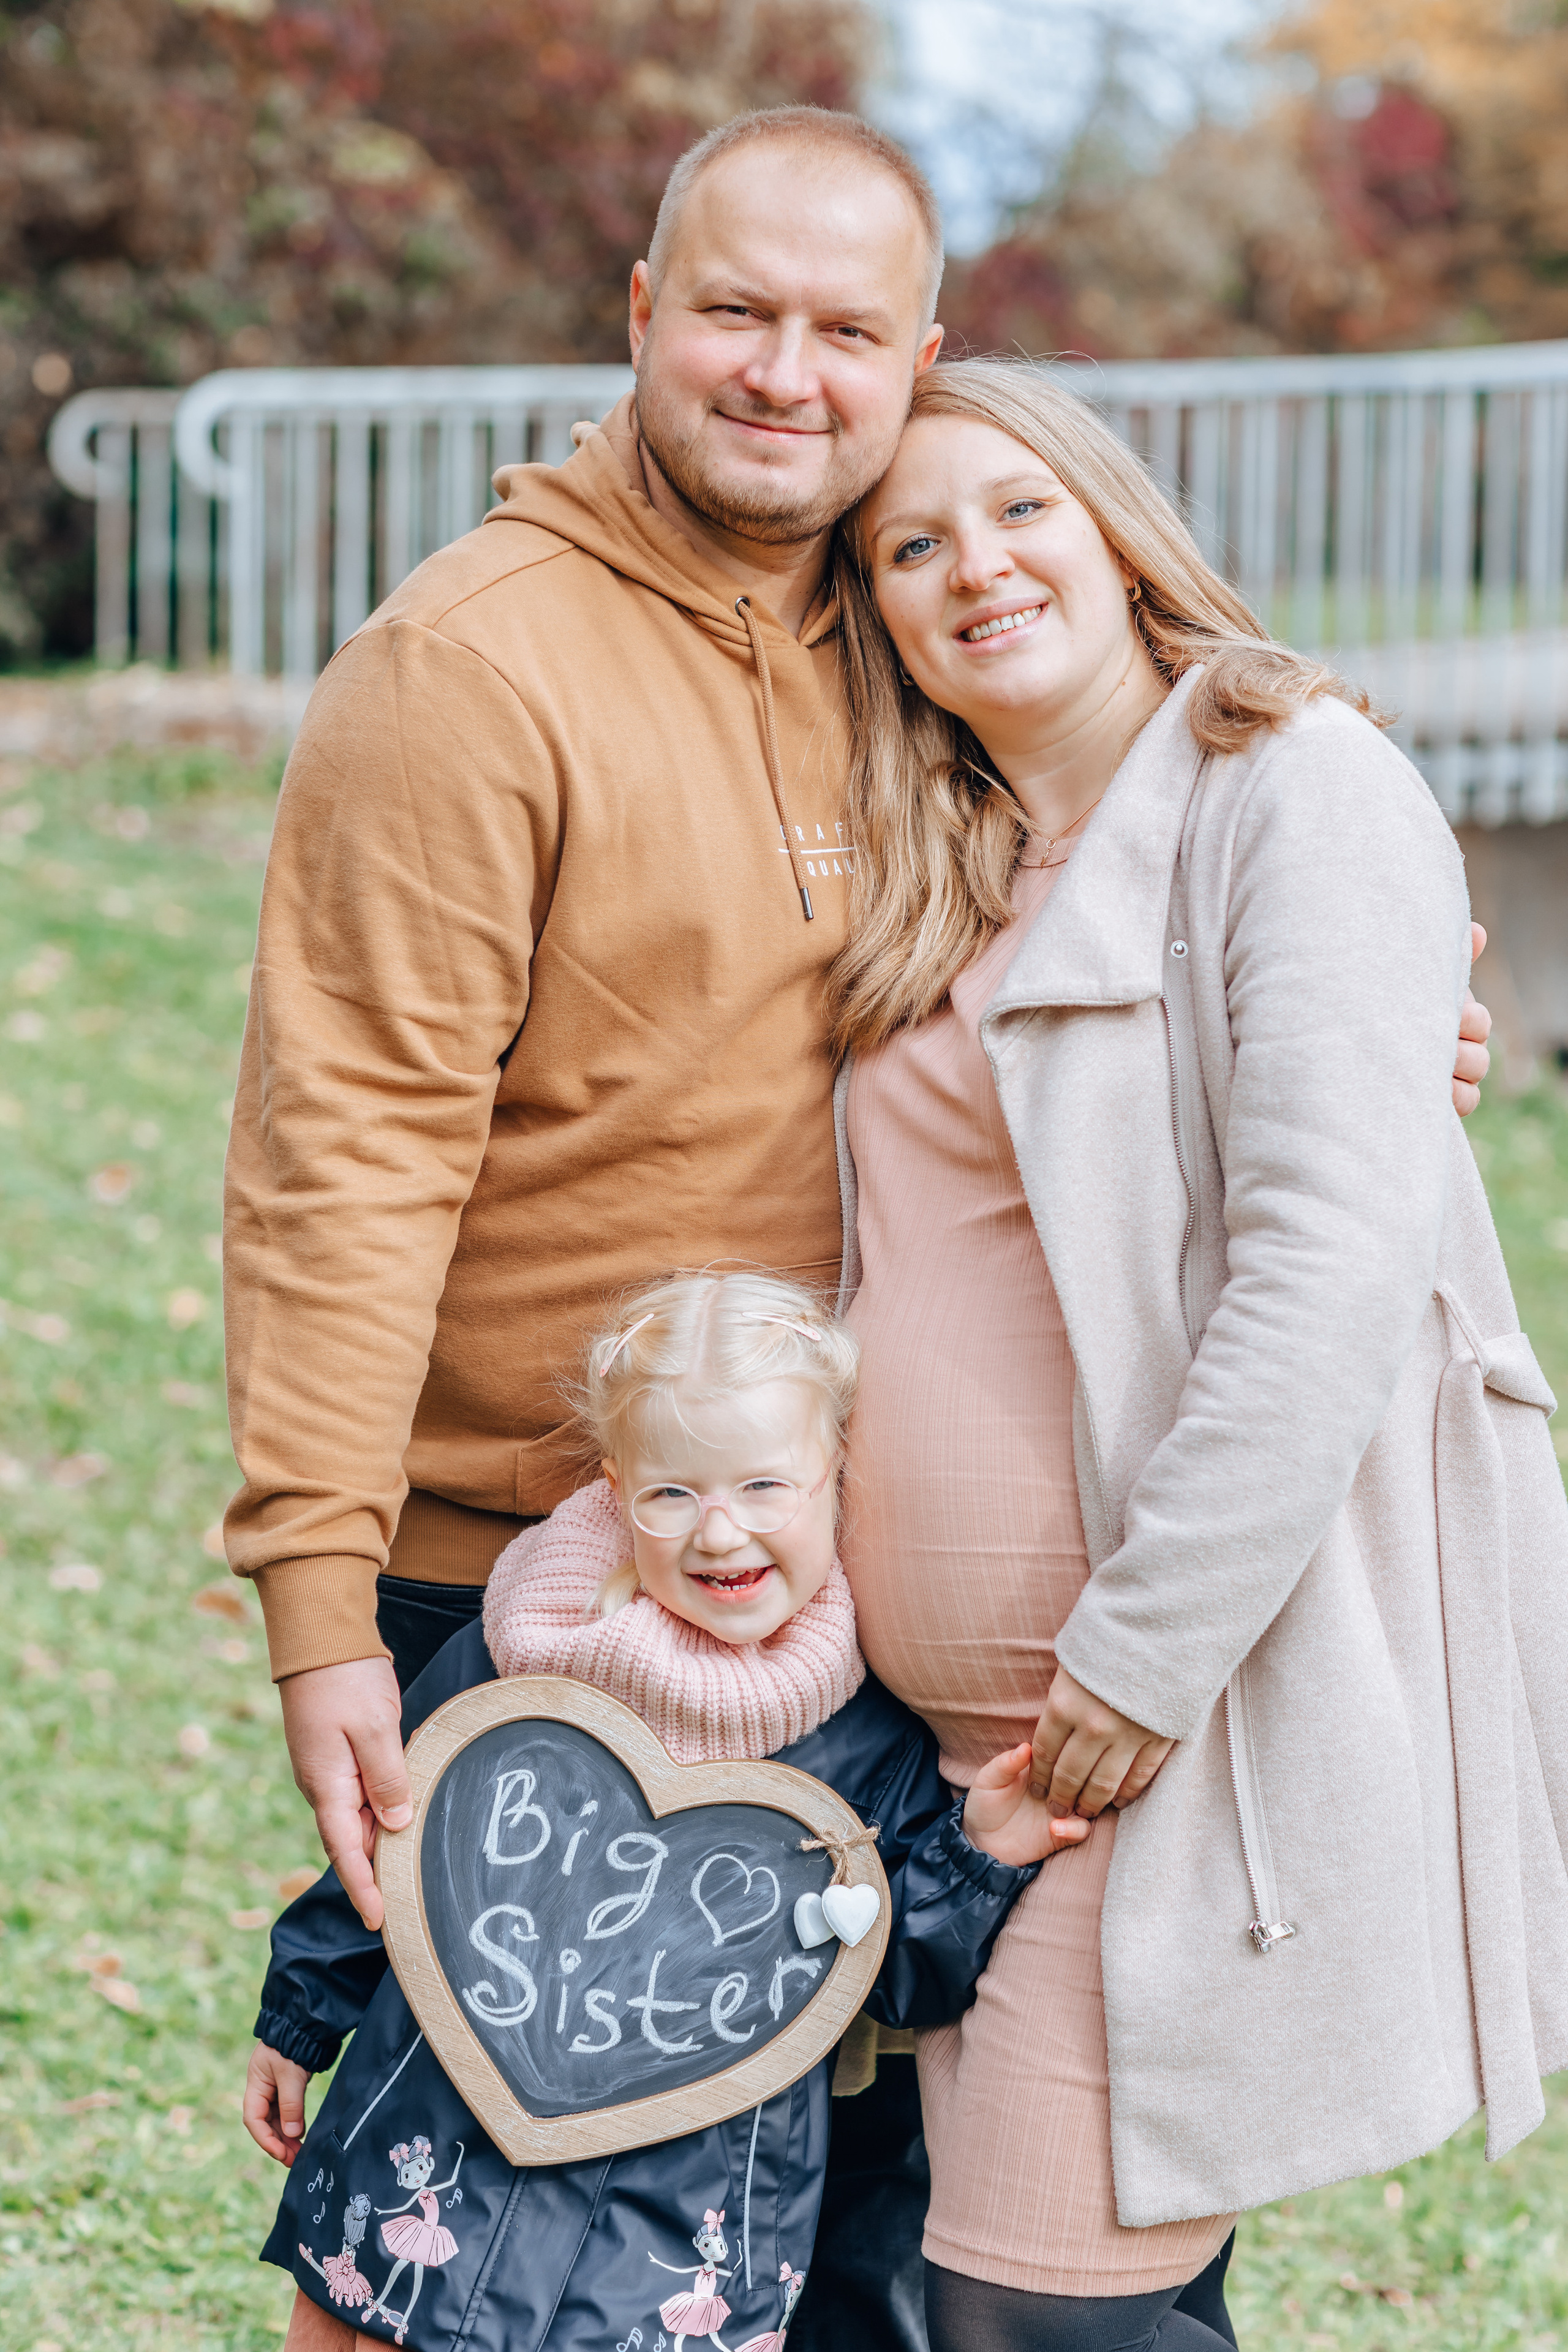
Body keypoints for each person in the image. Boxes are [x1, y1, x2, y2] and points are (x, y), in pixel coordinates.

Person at [224, 101, 1493, 2352]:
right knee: (529, 2275)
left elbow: (1135, 945)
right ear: (638, 313)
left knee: (868, 2267)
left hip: (880, 1670)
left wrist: (1377, 989)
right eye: (732, 310)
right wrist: (327, 1605)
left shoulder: (897, 653)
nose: (786, 375)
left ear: (927, 349)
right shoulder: (474, 669)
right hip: (549, 1582)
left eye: (846, 330)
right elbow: (349, 1147)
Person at [813, 355, 1568, 2352]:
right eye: (911, 543)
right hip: (933, 1768)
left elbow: (1322, 1263)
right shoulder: (947, 858)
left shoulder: (1289, 784)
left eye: (1018, 509)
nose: (973, 564)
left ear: (1115, 523)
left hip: (1147, 1729)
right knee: (977, 2298)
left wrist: (1141, 1660)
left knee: (1035, 2321)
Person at [243, 1272, 1088, 2352]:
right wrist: (301, 2013)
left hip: (675, 2234)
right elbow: (395, 1843)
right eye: (673, 1494)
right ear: (614, 1488)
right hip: (433, 2152)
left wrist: (979, 1852)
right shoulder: (523, 1661)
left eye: (765, 1487)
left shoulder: (870, 1736)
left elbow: (891, 1976)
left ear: (838, 1481)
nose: (720, 1533)